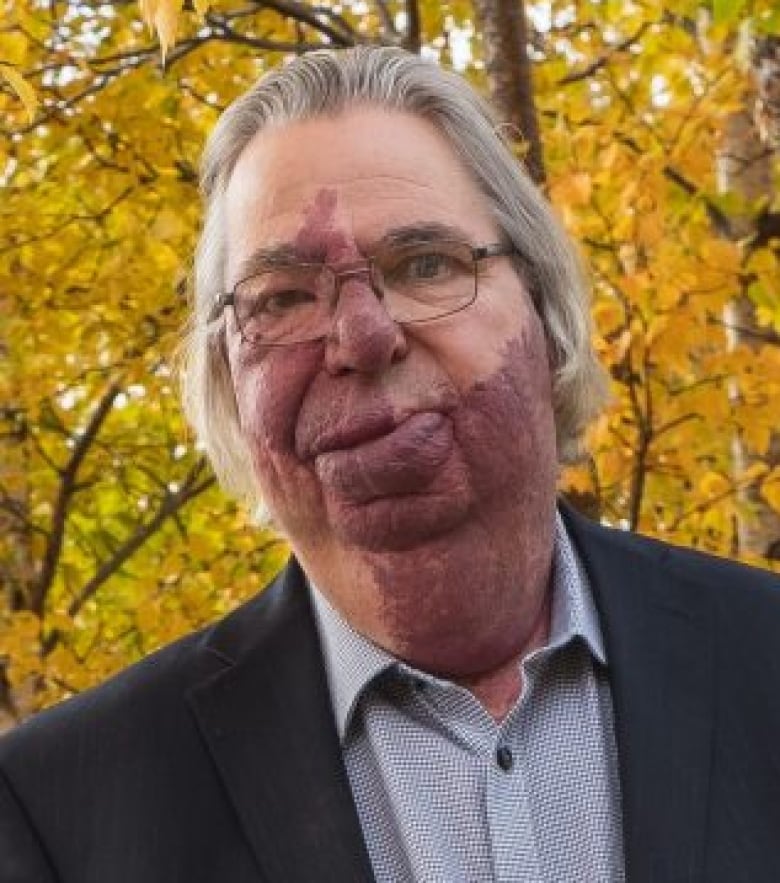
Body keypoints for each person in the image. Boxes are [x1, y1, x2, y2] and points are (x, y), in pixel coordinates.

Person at [1, 45, 780, 883]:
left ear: (546, 311)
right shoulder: (60, 813)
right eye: (285, 297)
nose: (364, 336)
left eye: (424, 265)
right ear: (226, 378)